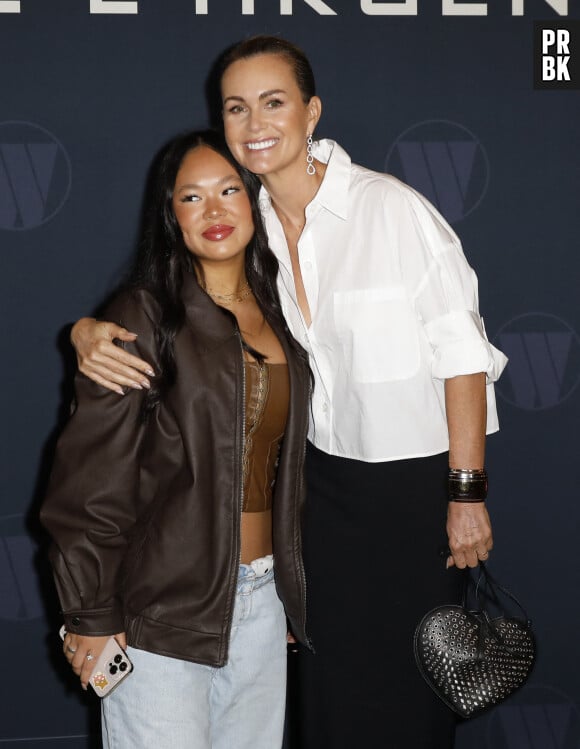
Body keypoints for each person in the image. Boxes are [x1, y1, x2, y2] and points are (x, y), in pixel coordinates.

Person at [68, 37, 508, 749]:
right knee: (329, 702)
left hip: (414, 503)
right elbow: (167, 293)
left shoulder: (391, 210)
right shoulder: (253, 229)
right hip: (315, 505)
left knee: (407, 700)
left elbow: (463, 357)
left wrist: (465, 491)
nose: (255, 122)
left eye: (274, 102)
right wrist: (88, 330)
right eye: (236, 107)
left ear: (312, 112)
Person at [40, 129, 312, 749]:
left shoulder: (285, 311)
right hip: (160, 612)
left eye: (227, 191)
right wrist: (89, 612)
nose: (214, 211)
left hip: (264, 607)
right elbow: (90, 478)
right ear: (171, 217)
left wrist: (292, 588)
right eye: (191, 198)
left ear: (253, 201)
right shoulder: (142, 315)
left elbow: (292, 470)